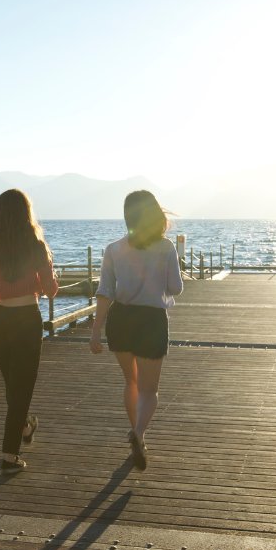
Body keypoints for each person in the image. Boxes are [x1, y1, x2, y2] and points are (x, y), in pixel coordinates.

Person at [0, 189, 58, 472]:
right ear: (26, 213)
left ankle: (26, 424)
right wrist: (50, 277)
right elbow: (51, 290)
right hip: (27, 318)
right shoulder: (36, 246)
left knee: (14, 387)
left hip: (0, 320)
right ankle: (9, 455)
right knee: (21, 388)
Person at [89, 190, 183, 470]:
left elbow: (104, 292)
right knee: (149, 389)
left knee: (131, 383)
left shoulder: (114, 249)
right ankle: (139, 433)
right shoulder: (166, 248)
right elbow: (176, 287)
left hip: (121, 320)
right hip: (151, 320)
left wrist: (95, 331)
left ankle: (137, 437)